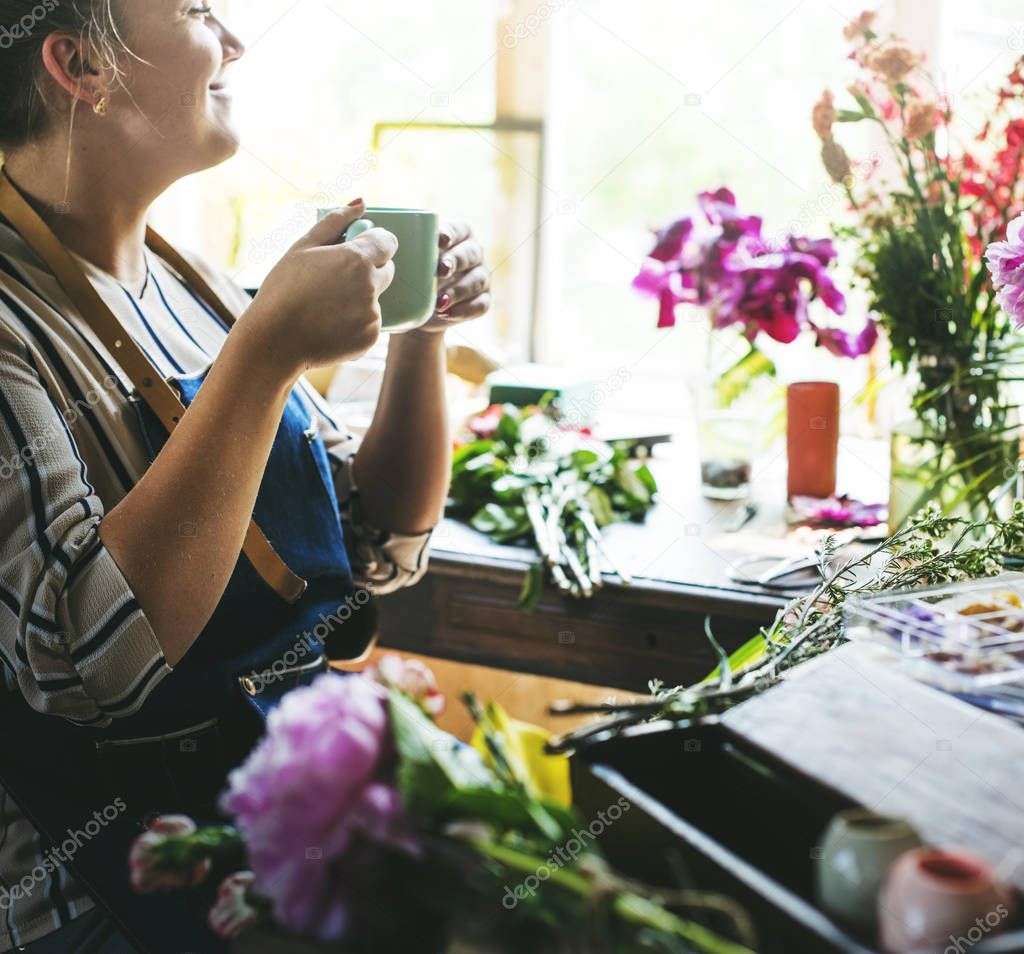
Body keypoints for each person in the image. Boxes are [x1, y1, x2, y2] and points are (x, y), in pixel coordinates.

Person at [0, 1, 492, 951]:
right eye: (193, 9)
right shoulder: (13, 321)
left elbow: (375, 549)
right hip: (103, 898)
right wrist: (265, 358)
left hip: (275, 850)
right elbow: (84, 667)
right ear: (79, 66)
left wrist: (418, 339)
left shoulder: (202, 289)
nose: (232, 40)